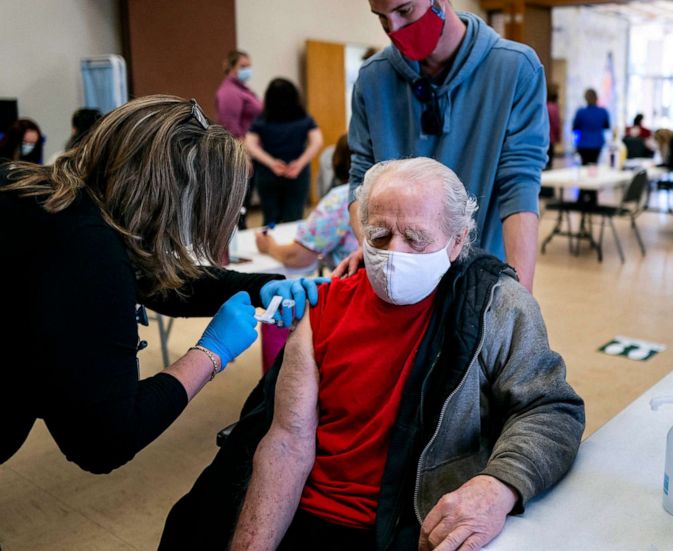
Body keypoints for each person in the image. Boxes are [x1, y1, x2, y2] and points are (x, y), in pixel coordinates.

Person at [161, 157, 584, 551]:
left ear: (456, 242)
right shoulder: (326, 306)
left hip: (413, 519)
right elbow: (288, 442)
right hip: (307, 518)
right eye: (380, 235)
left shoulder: (496, 307)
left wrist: (499, 486)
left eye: (416, 238)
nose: (395, 253)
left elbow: (551, 409)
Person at [0, 95, 324, 473]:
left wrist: (258, 287)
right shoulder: (87, 250)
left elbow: (149, 278)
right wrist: (210, 353)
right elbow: (103, 441)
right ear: (176, 200)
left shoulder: (35, 193)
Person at [337, 0, 548, 292]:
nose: (394, 29)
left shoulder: (515, 69)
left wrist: (519, 294)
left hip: (480, 279)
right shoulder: (373, 80)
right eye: (382, 17)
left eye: (404, 10)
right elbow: (361, 184)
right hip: (398, 278)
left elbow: (519, 186)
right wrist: (371, 249)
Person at [255, 133, 357, 271]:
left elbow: (298, 256)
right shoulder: (384, 187)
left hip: (353, 284)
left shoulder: (340, 200)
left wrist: (269, 246)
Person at [245, 78, 324, 224]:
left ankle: (268, 246)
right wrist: (299, 164)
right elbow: (317, 142)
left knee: (270, 219)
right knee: (294, 219)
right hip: (297, 175)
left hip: (268, 174)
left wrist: (272, 163)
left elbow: (250, 144)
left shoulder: (262, 120)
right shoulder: (304, 120)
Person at [217, 49, 264, 228]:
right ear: (231, 67)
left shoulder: (243, 90)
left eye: (249, 66)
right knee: (239, 205)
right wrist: (242, 156)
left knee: (246, 202)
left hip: (253, 151)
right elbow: (230, 128)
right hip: (243, 154)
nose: (247, 70)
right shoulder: (229, 92)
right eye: (243, 66)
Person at [572, 88, 610, 165]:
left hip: (583, 143)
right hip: (598, 143)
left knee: (584, 166)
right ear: (596, 98)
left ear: (585, 98)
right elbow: (606, 126)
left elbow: (575, 127)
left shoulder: (580, 112)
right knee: (594, 165)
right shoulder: (603, 111)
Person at [547, 84, 562, 167]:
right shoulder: (553, 107)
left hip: (541, 138)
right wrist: (558, 136)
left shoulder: (543, 105)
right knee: (549, 164)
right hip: (550, 138)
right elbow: (556, 125)